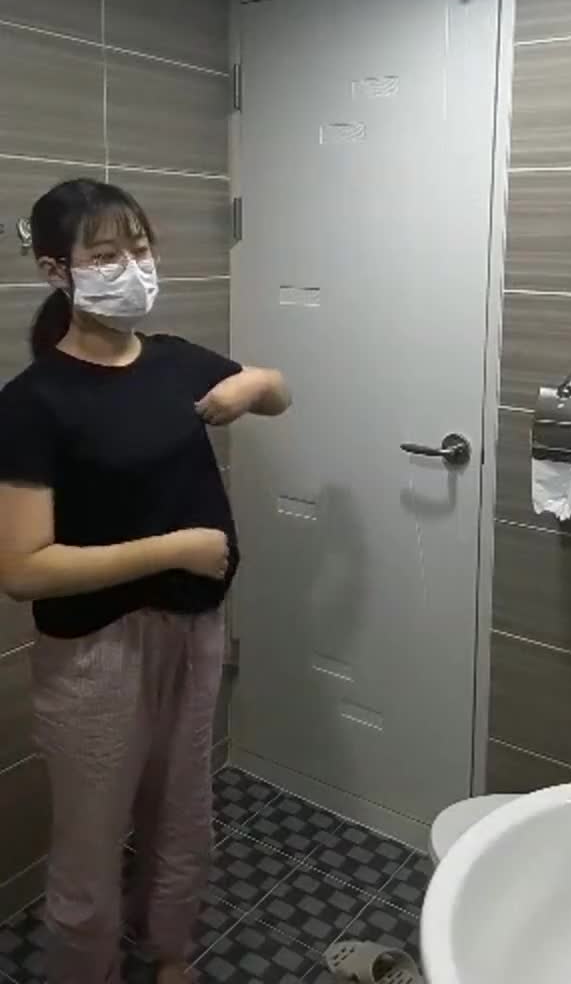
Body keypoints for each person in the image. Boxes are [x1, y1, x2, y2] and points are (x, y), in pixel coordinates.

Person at [0, 178, 291, 984]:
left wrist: (253, 384)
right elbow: (22, 569)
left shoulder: (173, 360)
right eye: (105, 255)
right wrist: (175, 550)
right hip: (95, 653)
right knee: (90, 846)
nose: (132, 267)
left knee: (182, 811)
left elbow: (279, 392)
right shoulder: (32, 404)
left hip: (194, 631)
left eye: (139, 248)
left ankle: (167, 951)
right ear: (57, 271)